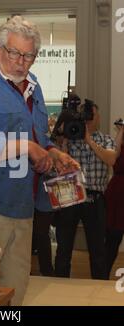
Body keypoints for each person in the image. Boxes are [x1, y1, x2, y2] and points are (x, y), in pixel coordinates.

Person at [0, 16, 79, 305]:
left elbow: (39, 138)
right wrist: (26, 147)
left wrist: (54, 153)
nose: (22, 62)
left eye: (29, 55)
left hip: (23, 207)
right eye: (15, 53)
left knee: (14, 292)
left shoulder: (33, 86)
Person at [54, 103, 117, 280]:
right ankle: (59, 283)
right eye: (85, 116)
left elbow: (111, 159)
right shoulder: (70, 138)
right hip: (70, 194)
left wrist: (89, 140)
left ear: (97, 118)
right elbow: (58, 168)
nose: (89, 119)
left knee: (98, 248)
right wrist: (64, 142)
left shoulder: (105, 139)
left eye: (92, 115)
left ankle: (99, 286)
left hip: (95, 198)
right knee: (64, 246)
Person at [105, 124, 124, 279]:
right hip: (118, 192)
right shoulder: (119, 138)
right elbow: (113, 157)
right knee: (113, 237)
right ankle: (103, 275)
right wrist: (122, 130)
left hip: (118, 189)